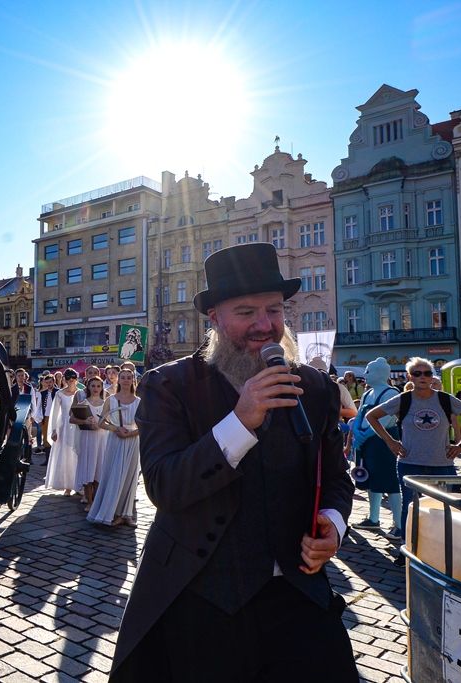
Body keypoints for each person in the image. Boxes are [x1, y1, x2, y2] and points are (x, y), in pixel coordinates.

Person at [110, 243, 357, 683]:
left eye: (274, 310)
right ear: (216, 319)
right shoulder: (169, 386)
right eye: (246, 312)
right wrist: (240, 422)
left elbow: (337, 478)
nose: (265, 326)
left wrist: (333, 525)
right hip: (202, 593)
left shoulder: (317, 389)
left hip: (296, 590)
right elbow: (164, 487)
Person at [366, 357, 461, 549]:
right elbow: (371, 416)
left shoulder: (445, 399)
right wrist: (390, 441)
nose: (423, 377)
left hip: (442, 466)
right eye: (417, 373)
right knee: (410, 508)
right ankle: (409, 548)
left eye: (427, 373)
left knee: (444, 508)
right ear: (409, 377)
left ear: (432, 377)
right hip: (410, 463)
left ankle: (440, 549)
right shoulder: (403, 399)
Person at [349, 358, 402, 539]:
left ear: (380, 373)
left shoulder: (391, 393)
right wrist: (356, 431)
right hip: (366, 444)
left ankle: (399, 524)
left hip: (384, 443)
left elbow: (385, 421)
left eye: (368, 371)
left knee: (389, 482)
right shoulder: (368, 393)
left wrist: (363, 435)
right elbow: (360, 415)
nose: (365, 375)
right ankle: (373, 519)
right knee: (370, 480)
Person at [86, 369, 140, 526]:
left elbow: (145, 425)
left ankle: (127, 514)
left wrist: (131, 434)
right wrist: (116, 429)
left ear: (133, 380)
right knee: (114, 475)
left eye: (129, 378)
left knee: (130, 477)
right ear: (119, 380)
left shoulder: (139, 401)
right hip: (115, 440)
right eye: (123, 377)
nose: (126, 380)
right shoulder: (111, 399)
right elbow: (102, 422)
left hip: (132, 441)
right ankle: (113, 512)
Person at [71, 376, 106, 507]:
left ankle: (97, 501)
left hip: (102, 438)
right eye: (93, 386)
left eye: (98, 386)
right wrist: (85, 421)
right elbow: (72, 419)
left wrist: (101, 424)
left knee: (99, 469)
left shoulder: (106, 403)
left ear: (102, 388)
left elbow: (111, 421)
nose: (96, 388)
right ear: (88, 387)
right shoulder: (83, 403)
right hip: (87, 438)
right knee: (88, 468)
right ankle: (89, 502)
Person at [45, 368, 80, 495]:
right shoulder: (60, 394)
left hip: (77, 426)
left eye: (73, 379)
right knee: (65, 455)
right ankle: (67, 485)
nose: (71, 382)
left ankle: (79, 483)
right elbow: (54, 413)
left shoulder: (81, 393)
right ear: (65, 380)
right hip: (64, 426)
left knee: (77, 454)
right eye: (69, 379)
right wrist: (54, 430)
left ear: (76, 380)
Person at [31, 373, 57, 463]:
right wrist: (38, 418)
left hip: (55, 417)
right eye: (47, 382)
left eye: (50, 382)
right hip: (45, 417)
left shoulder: (58, 392)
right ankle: (47, 460)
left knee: (56, 438)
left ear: (54, 381)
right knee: (45, 438)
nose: (49, 384)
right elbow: (39, 407)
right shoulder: (42, 393)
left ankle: (55, 460)